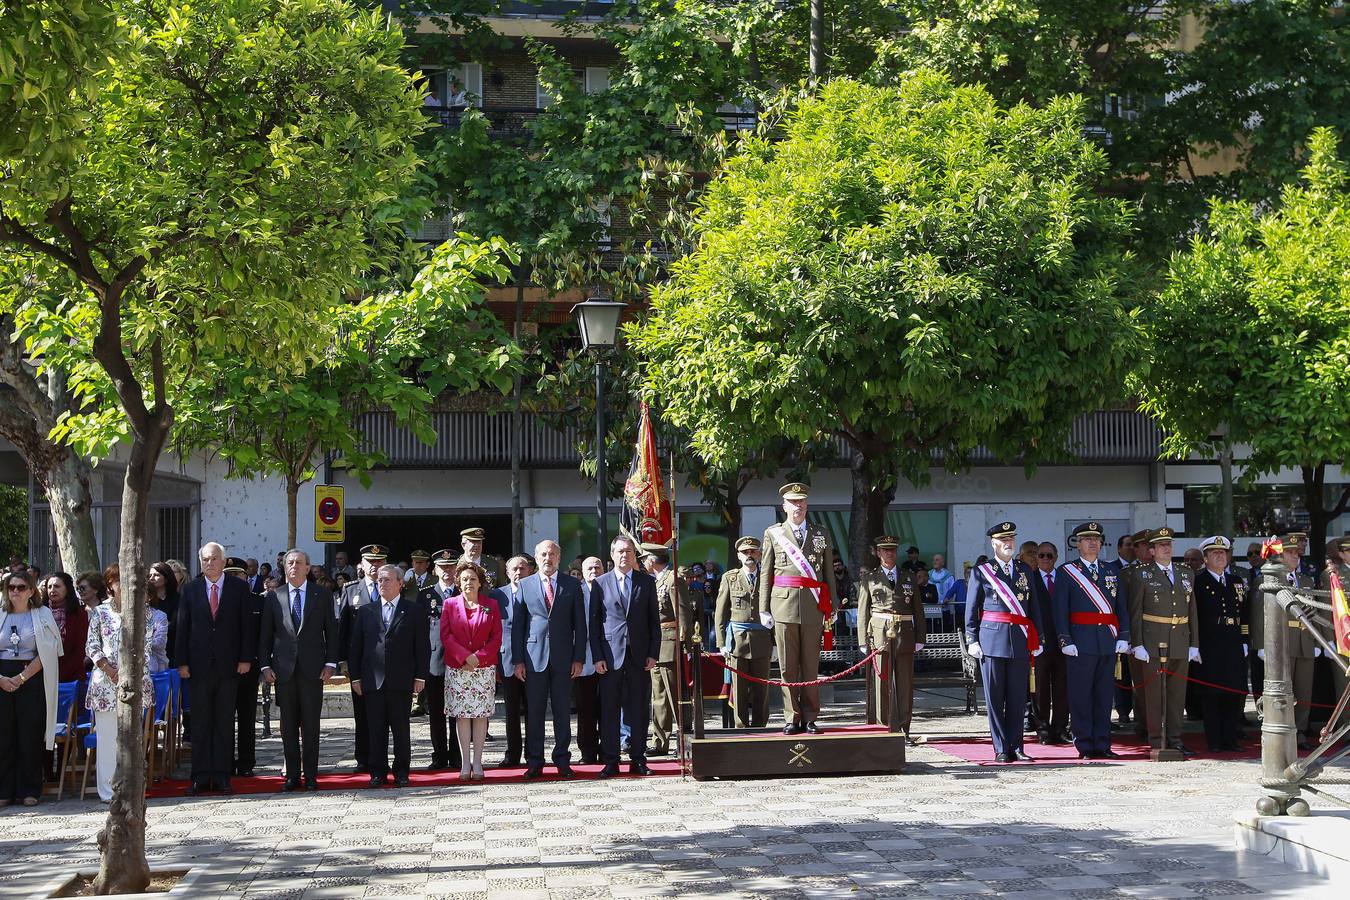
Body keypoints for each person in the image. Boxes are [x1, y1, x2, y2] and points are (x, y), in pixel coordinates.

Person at [759, 482, 839, 735]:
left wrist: (832, 605)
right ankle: (791, 717)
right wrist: (763, 608)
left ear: (807, 505)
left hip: (814, 606)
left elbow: (828, 573)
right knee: (787, 666)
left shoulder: (821, 533)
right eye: (793, 502)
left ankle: (811, 716)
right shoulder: (774, 533)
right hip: (783, 605)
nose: (798, 506)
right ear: (784, 506)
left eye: (802, 501)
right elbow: (766, 573)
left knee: (810, 665)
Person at [176, 542, 255, 795]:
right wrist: (182, 662)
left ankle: (222, 775)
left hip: (229, 666)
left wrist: (245, 659)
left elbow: (246, 626)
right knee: (199, 722)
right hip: (198, 667)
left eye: (213, 559)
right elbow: (182, 628)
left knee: (223, 721)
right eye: (205, 559)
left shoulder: (239, 588)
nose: (209, 563)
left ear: (223, 561)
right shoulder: (190, 590)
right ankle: (199, 776)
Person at [259, 549, 338, 791]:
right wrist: (265, 665)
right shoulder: (274, 596)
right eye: (289, 563)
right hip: (284, 671)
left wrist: (331, 663)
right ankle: (292, 775)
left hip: (314, 670)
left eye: (299, 563)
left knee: (311, 725)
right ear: (284, 568)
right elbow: (265, 635)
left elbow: (332, 632)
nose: (293, 566)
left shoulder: (322, 595)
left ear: (307, 568)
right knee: (289, 725)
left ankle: (311, 775)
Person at [965, 522, 1043, 763]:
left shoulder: (1024, 570)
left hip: (1019, 639)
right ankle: (1000, 747)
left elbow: (1034, 607)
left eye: (1011, 539)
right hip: (992, 640)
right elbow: (971, 609)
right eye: (1003, 540)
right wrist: (972, 639)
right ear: (993, 543)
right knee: (996, 698)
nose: (1008, 543)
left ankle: (1017, 746)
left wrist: (1038, 637)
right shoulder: (982, 571)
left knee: (1018, 697)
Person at [1052, 524, 1130, 759]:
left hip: (1107, 640)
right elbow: (1059, 610)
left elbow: (1121, 607)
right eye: (1086, 539)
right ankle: (1085, 744)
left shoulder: (1111, 571)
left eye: (1096, 539)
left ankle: (1103, 743)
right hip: (1080, 642)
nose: (1092, 543)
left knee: (1105, 696)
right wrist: (1065, 640)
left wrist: (1124, 636)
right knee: (1081, 696)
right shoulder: (1067, 572)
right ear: (1077, 543)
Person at [84, 565, 161, 803]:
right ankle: (108, 792)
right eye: (119, 581)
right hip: (105, 683)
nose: (124, 586)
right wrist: (109, 668)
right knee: (107, 739)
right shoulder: (100, 612)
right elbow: (92, 646)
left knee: (131, 739)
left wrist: (128, 672)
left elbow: (146, 648)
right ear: (110, 584)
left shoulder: (144, 611)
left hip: (135, 681)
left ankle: (131, 788)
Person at [349, 564, 429, 787]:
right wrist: (355, 677)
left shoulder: (413, 610)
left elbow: (421, 646)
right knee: (375, 729)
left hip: (401, 680)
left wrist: (420, 676)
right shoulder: (366, 611)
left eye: (386, 580)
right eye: (379, 580)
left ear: (400, 583)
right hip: (372, 680)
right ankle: (377, 771)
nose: (381, 583)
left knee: (401, 728)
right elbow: (356, 647)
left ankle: (402, 771)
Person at [512, 539, 586, 778]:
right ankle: (534, 761)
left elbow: (580, 626)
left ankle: (562, 760)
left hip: (564, 658)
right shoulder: (525, 585)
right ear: (536, 557)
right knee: (534, 712)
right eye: (543, 554)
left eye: (552, 554)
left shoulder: (572, 585)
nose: (548, 558)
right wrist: (518, 660)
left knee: (563, 711)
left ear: (559, 558)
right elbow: (518, 627)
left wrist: (579, 658)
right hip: (533, 659)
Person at [1126, 527, 1200, 758]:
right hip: (1153, 641)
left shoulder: (1186, 573)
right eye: (1160, 545)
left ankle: (1176, 739)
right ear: (1151, 550)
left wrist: (1194, 643)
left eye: (1168, 544)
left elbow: (1192, 610)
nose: (1166, 548)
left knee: (1177, 695)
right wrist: (1137, 643)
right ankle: (1157, 739)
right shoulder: (1141, 574)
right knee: (1155, 695)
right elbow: (1135, 611)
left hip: (1179, 639)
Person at [590, 535, 660, 777]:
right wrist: (597, 656)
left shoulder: (646, 582)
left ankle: (638, 758)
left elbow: (654, 623)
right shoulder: (600, 583)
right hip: (610, 656)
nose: (624, 555)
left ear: (634, 555)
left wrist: (653, 653)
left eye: (629, 551)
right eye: (620, 551)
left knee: (639, 708)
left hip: (639, 656)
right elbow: (594, 624)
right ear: (612, 555)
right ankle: (610, 759)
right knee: (609, 709)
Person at [0, 570, 62, 807]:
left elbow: (48, 651)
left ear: (31, 590)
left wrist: (22, 677)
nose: (16, 591)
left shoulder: (42, 613)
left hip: (31, 678)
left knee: (29, 735)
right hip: (1, 680)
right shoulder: (0, 612)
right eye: (11, 587)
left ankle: (30, 789)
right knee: (3, 736)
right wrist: (3, 680)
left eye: (21, 587)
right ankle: (4, 790)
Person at [1252, 535, 1319, 752]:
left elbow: (1314, 611)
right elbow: (1257, 613)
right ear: (1280, 555)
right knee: (1283, 690)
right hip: (1282, 640)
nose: (1295, 557)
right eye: (1290, 552)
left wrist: (1317, 638)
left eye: (1297, 553)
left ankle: (1300, 731)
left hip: (1305, 641)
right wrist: (1261, 644)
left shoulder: (1306, 580)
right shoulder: (1268, 578)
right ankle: (1284, 730)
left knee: (1304, 692)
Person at [858, 535, 926, 740]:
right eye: (885, 550)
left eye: (893, 550)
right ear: (878, 553)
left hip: (904, 633)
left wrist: (920, 637)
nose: (890, 554)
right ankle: (882, 728)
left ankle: (904, 728)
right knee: (882, 683)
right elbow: (863, 611)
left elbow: (918, 609)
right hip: (879, 634)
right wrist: (862, 639)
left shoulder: (908, 576)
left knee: (904, 683)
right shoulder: (869, 578)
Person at [441, 561, 504, 781]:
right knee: (462, 717)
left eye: (473, 579)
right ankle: (465, 763)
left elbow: (496, 637)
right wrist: (464, 656)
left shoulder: (491, 605)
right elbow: (446, 636)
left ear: (480, 583)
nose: (469, 582)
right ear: (458, 582)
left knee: (480, 717)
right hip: (458, 669)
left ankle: (478, 762)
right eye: (465, 579)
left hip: (482, 669)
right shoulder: (449, 604)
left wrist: (478, 658)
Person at [1192, 536, 1248, 752]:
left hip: (1232, 641)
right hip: (1210, 643)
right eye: (1214, 553)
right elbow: (1193, 615)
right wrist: (1194, 644)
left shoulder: (1236, 581)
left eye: (1223, 552)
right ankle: (1214, 740)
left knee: (1233, 692)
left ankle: (1231, 739)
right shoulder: (1199, 581)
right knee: (1212, 695)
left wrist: (1244, 639)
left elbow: (1244, 614)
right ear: (1205, 558)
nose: (1220, 556)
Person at [338, 544, 388, 774]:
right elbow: (343, 629)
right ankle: (363, 757)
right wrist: (343, 661)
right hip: (360, 661)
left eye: (379, 562)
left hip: (385, 662)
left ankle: (381, 755)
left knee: (385, 713)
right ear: (362, 564)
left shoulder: (391, 588)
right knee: (362, 712)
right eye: (370, 562)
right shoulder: (351, 590)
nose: (374, 566)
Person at [714, 537, 772, 728]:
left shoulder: (768, 577)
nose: (749, 556)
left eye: (753, 552)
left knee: (761, 688)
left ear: (760, 554)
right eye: (745, 552)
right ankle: (741, 727)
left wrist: (777, 643)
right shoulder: (730, 578)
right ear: (739, 556)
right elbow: (720, 612)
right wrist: (721, 643)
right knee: (739, 689)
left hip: (762, 639)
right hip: (737, 641)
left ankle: (760, 725)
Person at [645, 542, 695, 754]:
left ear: (651, 560)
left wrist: (686, 643)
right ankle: (660, 740)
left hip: (671, 642)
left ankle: (683, 740)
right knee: (659, 697)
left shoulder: (673, 579)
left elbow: (683, 613)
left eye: (644, 559)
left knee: (677, 696)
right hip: (657, 645)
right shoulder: (655, 580)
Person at [419, 549, 461, 771]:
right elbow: (419, 631)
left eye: (451, 566)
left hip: (459, 659)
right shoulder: (425, 595)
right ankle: (439, 755)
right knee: (435, 711)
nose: (447, 570)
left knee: (457, 711)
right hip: (434, 659)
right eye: (442, 567)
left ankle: (456, 755)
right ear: (434, 569)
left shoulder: (464, 591)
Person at [224, 556, 264, 777]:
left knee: (247, 717)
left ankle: (247, 762)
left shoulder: (257, 601)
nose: (234, 580)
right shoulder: (219, 600)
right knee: (225, 716)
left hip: (250, 667)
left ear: (246, 578)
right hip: (225, 669)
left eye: (237, 576)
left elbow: (262, 636)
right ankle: (226, 761)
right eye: (229, 576)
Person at [1029, 542, 1070, 746]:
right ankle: (1043, 729)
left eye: (1049, 555)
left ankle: (1061, 728)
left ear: (1056, 557)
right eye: (1042, 555)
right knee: (1041, 689)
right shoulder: (1029, 579)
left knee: (1063, 688)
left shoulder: (1064, 578)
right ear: (1036, 557)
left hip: (1063, 643)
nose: (1045, 559)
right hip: (1040, 643)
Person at [495, 555, 530, 768]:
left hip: (533, 659)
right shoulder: (497, 595)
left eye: (523, 568)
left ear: (530, 571)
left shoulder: (537, 592)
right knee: (511, 711)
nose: (518, 572)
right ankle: (513, 753)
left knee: (534, 711)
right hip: (507, 660)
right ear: (507, 573)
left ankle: (533, 753)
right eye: (514, 569)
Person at [574, 556, 605, 764]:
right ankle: (587, 751)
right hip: (583, 658)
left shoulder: (610, 588)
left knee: (607, 707)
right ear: (582, 572)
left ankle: (608, 749)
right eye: (589, 568)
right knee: (585, 708)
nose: (594, 570)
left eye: (597, 567)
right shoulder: (576, 592)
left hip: (608, 656)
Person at [43, 573, 89, 685]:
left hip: (71, 678)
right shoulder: (39, 613)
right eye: (49, 587)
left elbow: (80, 649)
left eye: (57, 586)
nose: (52, 590)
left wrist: (59, 674)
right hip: (42, 675)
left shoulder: (80, 614)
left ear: (67, 589)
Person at [148, 562, 180, 668]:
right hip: (149, 653)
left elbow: (175, 624)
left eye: (157, 575)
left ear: (166, 578)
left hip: (171, 647)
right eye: (150, 575)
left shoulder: (177, 599)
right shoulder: (145, 599)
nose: (152, 578)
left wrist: (160, 629)